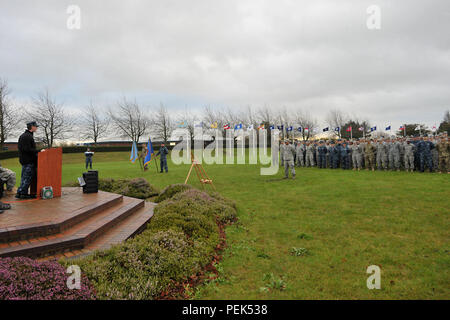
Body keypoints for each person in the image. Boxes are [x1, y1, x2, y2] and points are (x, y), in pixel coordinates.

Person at [16, 121, 39, 199]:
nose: (36, 128)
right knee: (27, 178)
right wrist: (38, 151)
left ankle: (20, 193)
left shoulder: (25, 135)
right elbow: (27, 149)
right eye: (35, 126)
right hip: (28, 161)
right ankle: (23, 194)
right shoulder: (27, 136)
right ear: (31, 127)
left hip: (25, 160)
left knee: (24, 177)